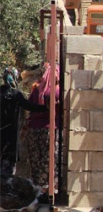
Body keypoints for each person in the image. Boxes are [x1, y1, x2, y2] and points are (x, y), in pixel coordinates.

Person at [0, 67, 48, 176]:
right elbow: (29, 106)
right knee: (8, 160)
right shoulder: (16, 94)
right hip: (11, 132)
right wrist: (46, 108)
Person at [26, 63, 60, 192]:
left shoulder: (37, 88)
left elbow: (29, 106)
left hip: (33, 130)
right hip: (49, 129)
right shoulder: (57, 90)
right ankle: (47, 191)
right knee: (49, 161)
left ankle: (37, 190)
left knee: (36, 161)